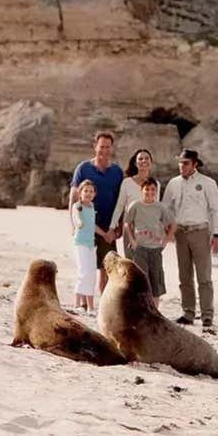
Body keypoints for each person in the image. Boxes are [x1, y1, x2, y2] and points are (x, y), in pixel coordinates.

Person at [161, 149, 218, 327]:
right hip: (180, 233)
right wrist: (168, 229)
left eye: (186, 163)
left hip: (200, 232)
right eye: (180, 162)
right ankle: (188, 313)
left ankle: (207, 315)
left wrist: (217, 233)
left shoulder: (207, 183)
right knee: (184, 276)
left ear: (195, 164)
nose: (182, 166)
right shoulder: (173, 183)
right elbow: (166, 208)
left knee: (204, 276)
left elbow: (216, 209)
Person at [69, 131, 124, 294]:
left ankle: (103, 301)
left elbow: (120, 201)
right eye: (101, 147)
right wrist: (73, 224)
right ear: (95, 147)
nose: (104, 150)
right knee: (86, 266)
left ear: (111, 149)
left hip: (108, 227)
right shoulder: (83, 168)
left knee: (107, 267)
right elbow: (73, 198)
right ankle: (84, 300)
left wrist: (119, 225)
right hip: (85, 225)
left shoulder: (117, 172)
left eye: (108, 147)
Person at [124, 177, 176, 309]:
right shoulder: (135, 205)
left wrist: (165, 241)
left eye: (153, 189)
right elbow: (127, 223)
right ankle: (142, 309)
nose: (150, 192)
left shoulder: (160, 207)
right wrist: (132, 240)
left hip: (156, 249)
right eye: (147, 189)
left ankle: (155, 310)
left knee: (156, 279)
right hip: (140, 248)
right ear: (142, 190)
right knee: (141, 280)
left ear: (156, 191)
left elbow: (173, 224)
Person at [110, 149, 160, 258]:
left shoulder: (156, 184)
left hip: (150, 229)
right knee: (132, 265)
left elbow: (157, 209)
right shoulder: (127, 182)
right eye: (140, 159)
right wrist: (112, 226)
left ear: (151, 162)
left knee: (148, 265)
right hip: (130, 229)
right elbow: (120, 207)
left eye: (146, 158)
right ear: (135, 163)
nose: (143, 161)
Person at [71, 180, 97, 315]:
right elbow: (76, 219)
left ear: (94, 194)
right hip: (80, 243)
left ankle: (91, 307)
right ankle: (77, 304)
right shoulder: (77, 206)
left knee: (92, 274)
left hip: (91, 244)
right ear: (80, 193)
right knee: (83, 273)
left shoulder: (92, 206)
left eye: (91, 191)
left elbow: (93, 225)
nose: (88, 193)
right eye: (85, 191)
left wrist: (104, 233)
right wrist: (79, 223)